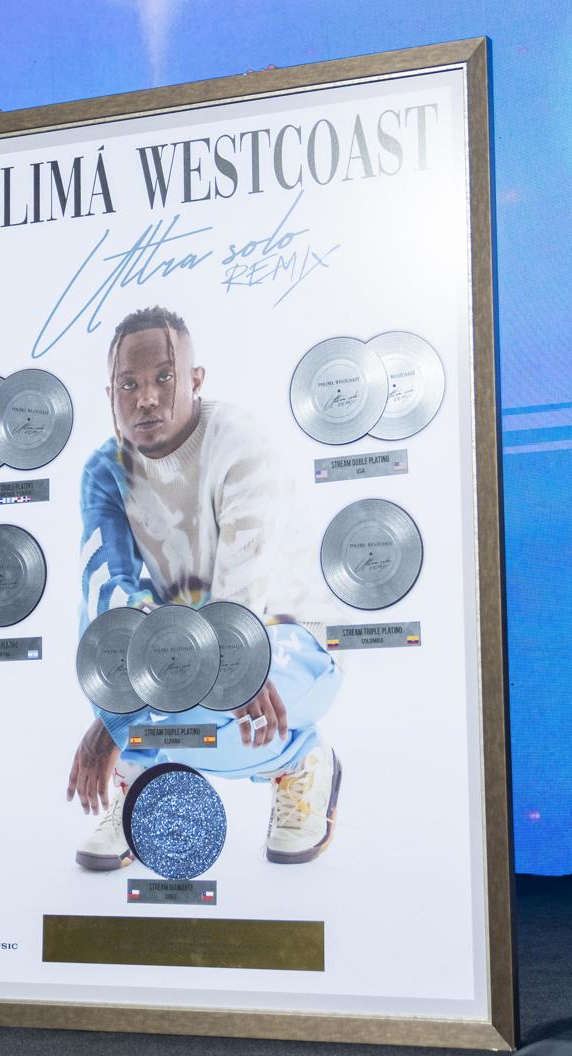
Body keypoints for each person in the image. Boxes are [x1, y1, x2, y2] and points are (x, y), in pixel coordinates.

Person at [67, 305, 343, 871]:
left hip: (282, 640)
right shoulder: (104, 469)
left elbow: (240, 603)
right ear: (111, 394)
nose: (146, 398)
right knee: (102, 646)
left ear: (196, 379)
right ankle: (142, 782)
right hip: (179, 649)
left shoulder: (239, 442)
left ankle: (299, 759)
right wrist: (118, 712)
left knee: (224, 704)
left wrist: (117, 726)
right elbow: (105, 593)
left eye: (164, 377)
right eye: (129, 385)